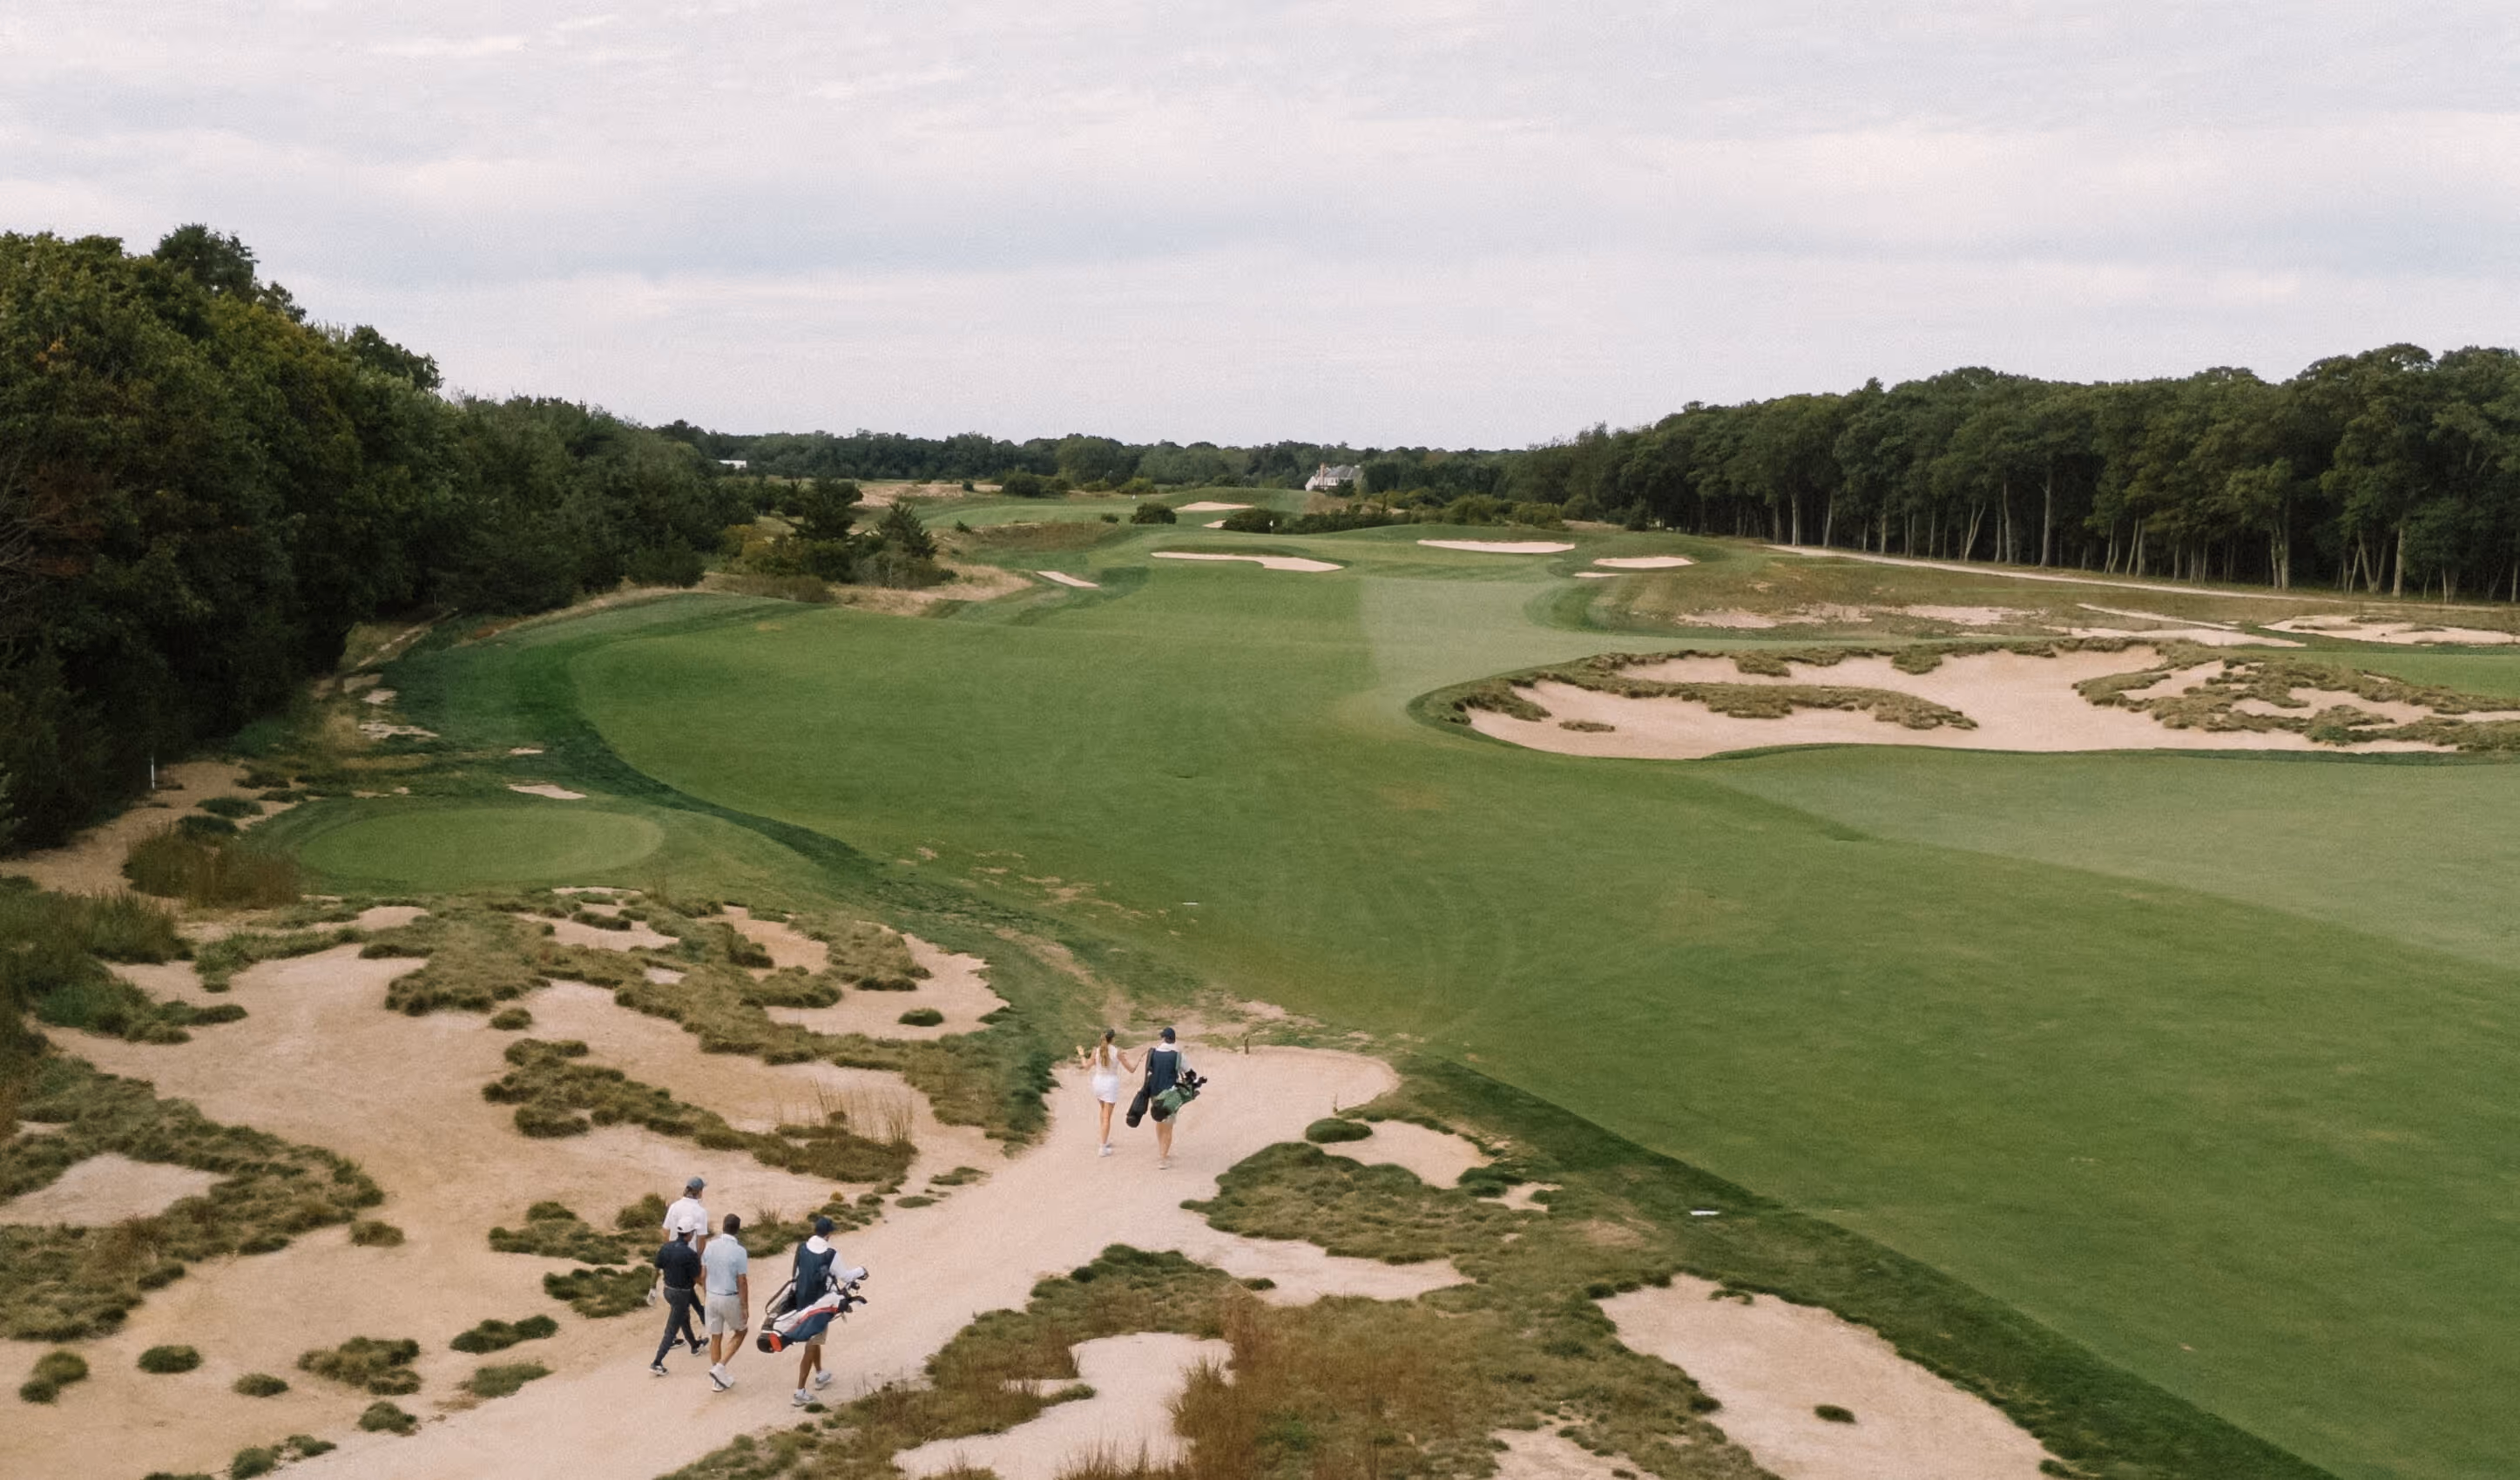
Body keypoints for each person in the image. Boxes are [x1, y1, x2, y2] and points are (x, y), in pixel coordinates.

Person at [789, 1216, 844, 1406]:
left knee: (815, 1338)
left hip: (802, 1302)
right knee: (811, 1345)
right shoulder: (830, 1253)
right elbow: (844, 1276)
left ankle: (820, 1373)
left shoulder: (801, 1248)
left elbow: (795, 1276)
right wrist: (861, 1271)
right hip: (820, 1305)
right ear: (828, 1234)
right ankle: (800, 1392)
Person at [1127, 1027, 1188, 1170]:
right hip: (1170, 1095)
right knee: (1168, 1127)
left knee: (1159, 1122)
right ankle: (1163, 1157)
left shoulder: (1153, 1053)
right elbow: (1188, 1072)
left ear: (1164, 1039)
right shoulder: (1178, 1055)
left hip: (1155, 1093)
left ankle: (1162, 1150)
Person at [701, 1213, 749, 1391]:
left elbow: (704, 1274)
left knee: (716, 1336)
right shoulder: (740, 1251)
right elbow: (742, 1281)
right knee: (741, 1331)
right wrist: (745, 1306)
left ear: (723, 1226)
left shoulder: (709, 1246)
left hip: (711, 1295)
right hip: (729, 1297)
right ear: (737, 1229)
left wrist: (706, 1294)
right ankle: (720, 1367)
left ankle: (717, 1381)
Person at [649, 1227, 705, 1375]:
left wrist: (652, 1288)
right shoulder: (690, 1254)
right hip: (682, 1294)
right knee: (671, 1329)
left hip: (668, 1291)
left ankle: (694, 1345)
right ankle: (657, 1362)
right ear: (689, 1234)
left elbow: (656, 1269)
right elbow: (697, 1278)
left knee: (684, 1317)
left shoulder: (666, 1247)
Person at [1075, 1029, 1137, 1157]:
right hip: (1110, 1085)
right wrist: (1139, 1061)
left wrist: (1081, 1055)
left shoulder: (1096, 1051)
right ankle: (1102, 1148)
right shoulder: (1117, 1052)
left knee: (1103, 1112)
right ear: (1113, 1039)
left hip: (1098, 1084)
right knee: (1107, 1117)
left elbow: (1086, 1067)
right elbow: (1131, 1069)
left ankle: (1105, 1140)